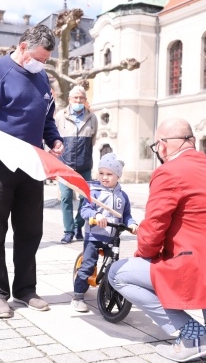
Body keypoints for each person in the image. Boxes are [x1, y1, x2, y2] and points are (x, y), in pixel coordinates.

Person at [0, 24, 64, 318]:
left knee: (30, 231)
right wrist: (1, 151)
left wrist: (54, 138)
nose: (43, 64)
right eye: (40, 57)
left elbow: (47, 117)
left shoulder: (42, 78)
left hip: (32, 164)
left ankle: (26, 289)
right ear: (23, 47)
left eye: (47, 60)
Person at [108, 118, 206, 362]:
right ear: (192, 141)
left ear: (162, 145)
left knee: (118, 273)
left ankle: (192, 335)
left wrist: (146, 255)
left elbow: (153, 229)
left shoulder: (168, 172)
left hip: (194, 264)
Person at [72, 153, 138, 312]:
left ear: (118, 176)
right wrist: (96, 215)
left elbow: (126, 214)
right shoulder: (94, 192)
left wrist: (132, 223)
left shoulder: (123, 196)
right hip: (94, 236)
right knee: (88, 265)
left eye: (109, 174)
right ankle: (78, 296)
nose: (104, 177)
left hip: (113, 237)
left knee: (113, 266)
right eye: (101, 173)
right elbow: (85, 210)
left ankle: (109, 290)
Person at [54, 85, 98, 244]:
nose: (78, 101)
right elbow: (54, 139)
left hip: (84, 165)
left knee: (85, 198)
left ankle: (78, 226)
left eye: (81, 98)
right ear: (69, 100)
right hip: (64, 166)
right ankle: (68, 231)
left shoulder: (92, 118)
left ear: (85, 100)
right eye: (75, 98)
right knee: (65, 198)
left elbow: (92, 140)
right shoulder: (60, 116)